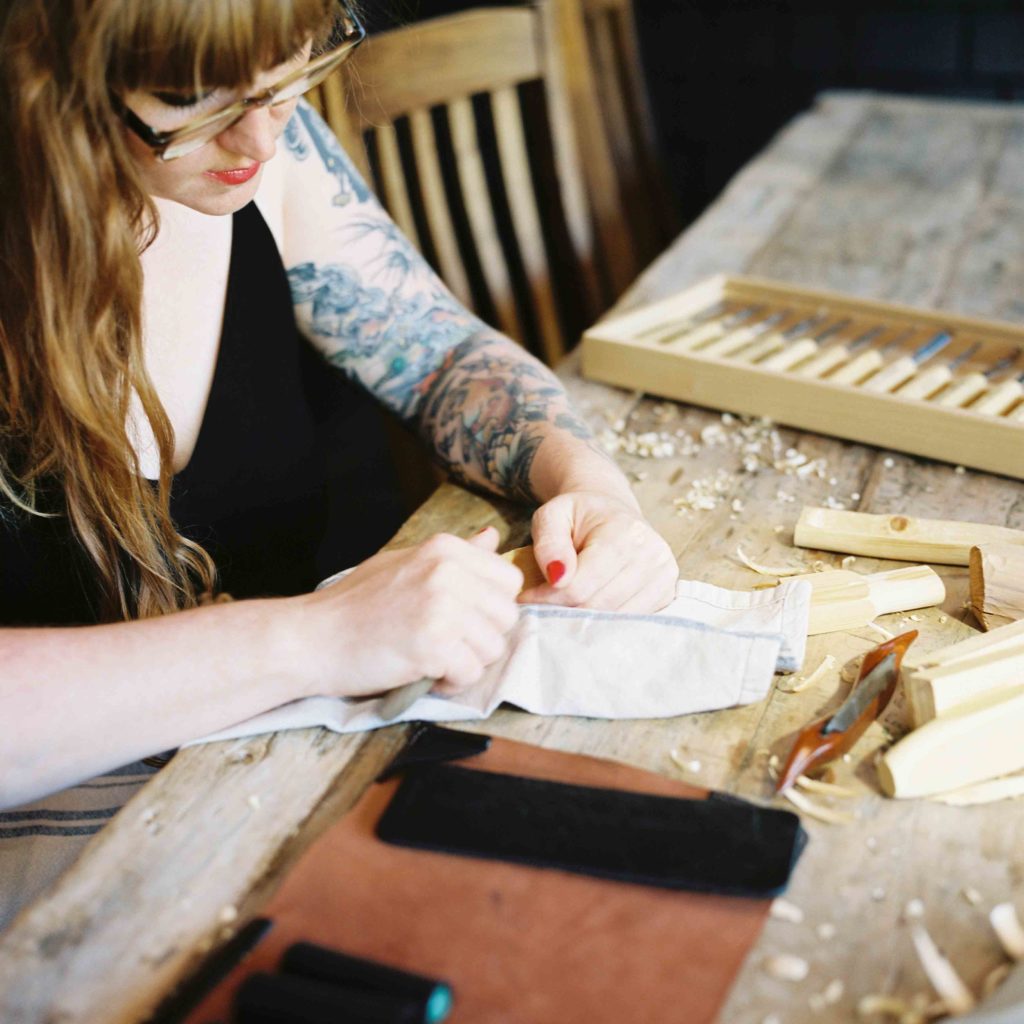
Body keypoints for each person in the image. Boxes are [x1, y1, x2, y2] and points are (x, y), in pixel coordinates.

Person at [0, 0, 677, 817]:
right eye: (190, 98)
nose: (259, 137)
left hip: (265, 776)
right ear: (40, 75)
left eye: (292, 67)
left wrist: (592, 488)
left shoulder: (272, 156)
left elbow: (441, 359)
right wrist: (315, 638)